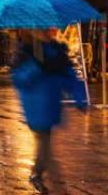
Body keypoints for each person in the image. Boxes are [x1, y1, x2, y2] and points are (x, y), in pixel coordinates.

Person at [12, 29, 87, 194]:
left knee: (46, 144)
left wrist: (79, 96)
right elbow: (20, 78)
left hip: (52, 103)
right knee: (45, 143)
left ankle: (41, 175)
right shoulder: (26, 51)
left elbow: (69, 76)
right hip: (36, 106)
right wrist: (36, 67)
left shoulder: (57, 50)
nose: (47, 32)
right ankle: (42, 177)